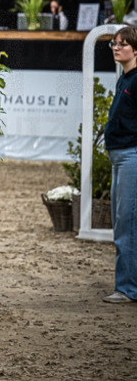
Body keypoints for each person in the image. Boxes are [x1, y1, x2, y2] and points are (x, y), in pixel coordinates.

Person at [102, 26, 137, 304]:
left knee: (127, 223)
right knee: (122, 222)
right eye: (115, 43)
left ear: (135, 50)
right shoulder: (123, 79)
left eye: (123, 44)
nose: (117, 47)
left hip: (130, 156)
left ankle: (127, 288)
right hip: (119, 157)